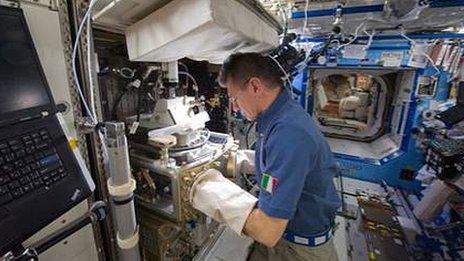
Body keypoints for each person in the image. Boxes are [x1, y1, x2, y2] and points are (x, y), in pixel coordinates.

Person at [218, 52, 341, 261]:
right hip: (285, 236)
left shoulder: (288, 132)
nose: (234, 108)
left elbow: (267, 231)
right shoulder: (280, 115)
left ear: (255, 86)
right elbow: (279, 162)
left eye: (234, 98)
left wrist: (215, 197)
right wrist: (246, 160)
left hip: (300, 250)